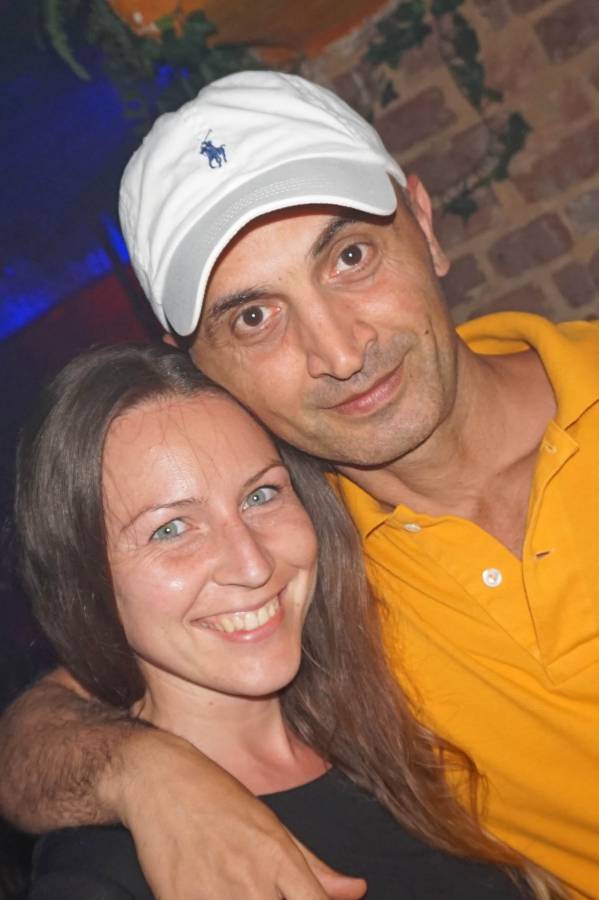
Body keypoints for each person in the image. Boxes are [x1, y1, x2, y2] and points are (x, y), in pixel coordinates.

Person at [1, 70, 598, 898]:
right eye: (254, 317)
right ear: (198, 369)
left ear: (423, 223)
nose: (340, 352)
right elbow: (43, 727)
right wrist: (141, 774)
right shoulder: (296, 568)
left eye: (349, 257)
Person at [15, 342, 556, 899]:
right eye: (170, 529)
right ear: (84, 580)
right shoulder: (107, 871)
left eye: (261, 495)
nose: (253, 565)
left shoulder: (388, 718)